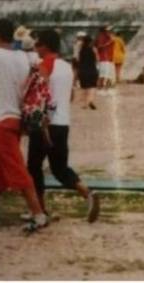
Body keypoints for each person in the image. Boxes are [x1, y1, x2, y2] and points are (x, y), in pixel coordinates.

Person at [0, 17, 49, 232]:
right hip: (17, 119)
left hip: (1, 119)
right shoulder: (24, 58)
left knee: (15, 167)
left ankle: (38, 213)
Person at [25, 29, 101, 224]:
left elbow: (41, 97)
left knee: (34, 167)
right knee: (60, 168)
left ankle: (40, 210)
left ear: (45, 46)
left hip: (45, 124)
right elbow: (70, 96)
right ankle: (87, 193)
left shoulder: (42, 67)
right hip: (63, 122)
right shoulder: (67, 68)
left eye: (38, 44)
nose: (36, 48)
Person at [77, 33, 99, 107]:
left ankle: (85, 104)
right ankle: (90, 100)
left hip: (83, 70)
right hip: (92, 70)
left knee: (84, 87)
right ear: (90, 42)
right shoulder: (94, 49)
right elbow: (97, 59)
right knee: (92, 86)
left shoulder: (81, 50)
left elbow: (78, 60)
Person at [95, 26, 115, 90]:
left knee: (107, 73)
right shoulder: (101, 37)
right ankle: (101, 86)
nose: (109, 32)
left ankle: (106, 85)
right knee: (103, 73)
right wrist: (108, 44)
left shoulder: (109, 37)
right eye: (108, 31)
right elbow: (99, 46)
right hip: (103, 58)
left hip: (108, 58)